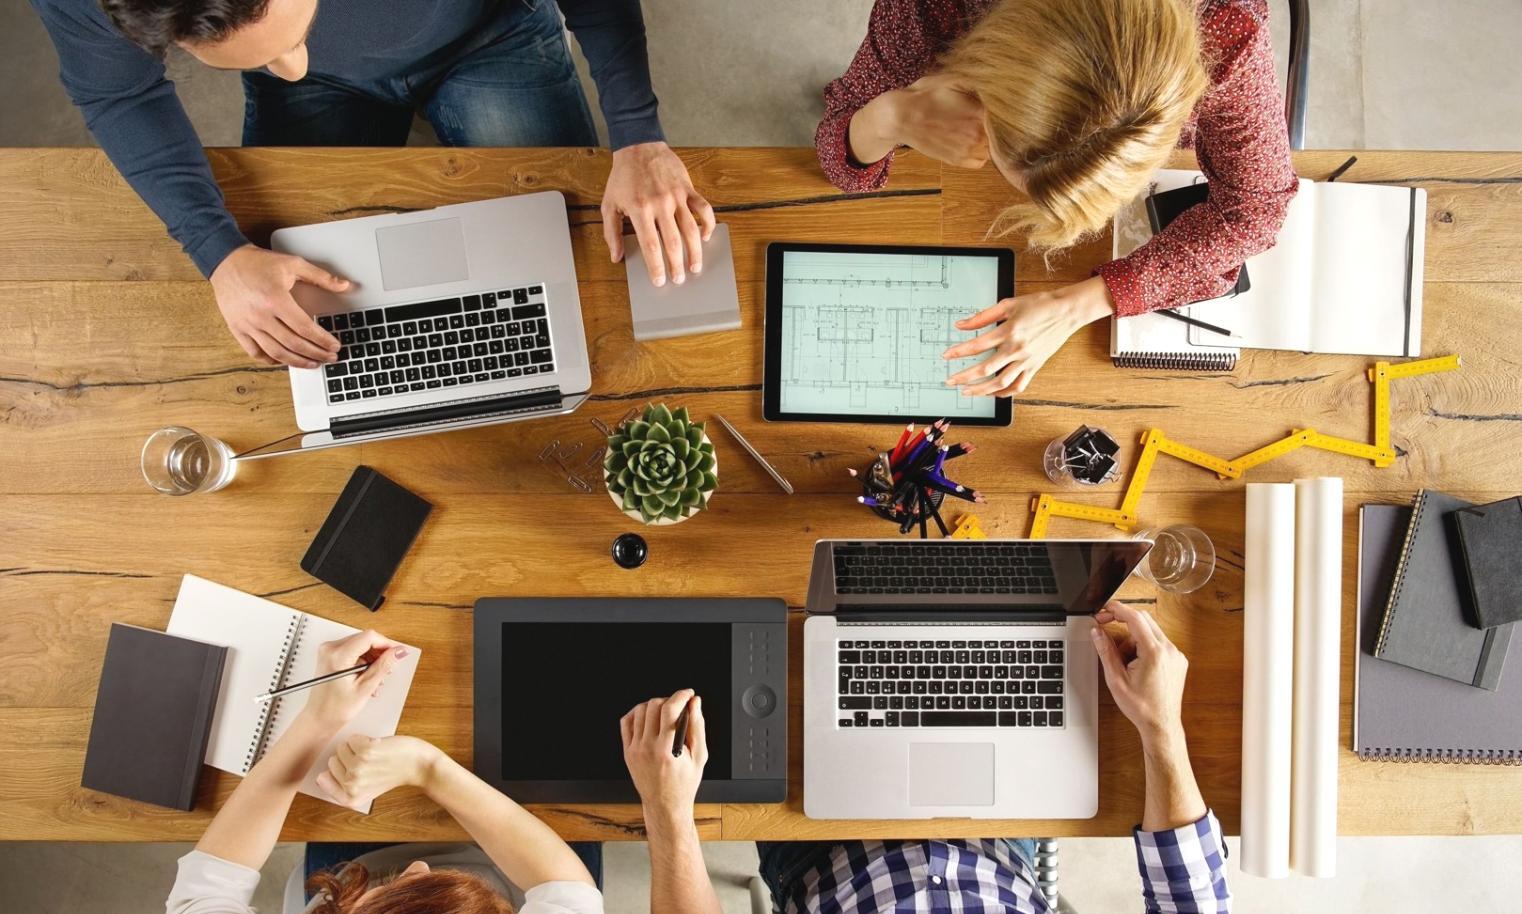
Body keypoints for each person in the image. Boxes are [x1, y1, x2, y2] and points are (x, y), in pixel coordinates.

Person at [32, 0, 714, 369]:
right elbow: (119, 97)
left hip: (490, 28)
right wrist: (220, 254)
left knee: (571, 268)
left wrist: (638, 135)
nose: (289, 69)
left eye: (289, 37)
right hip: (342, 87)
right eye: (264, 58)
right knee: (316, 316)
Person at [623, 601, 1230, 914]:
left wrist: (668, 812)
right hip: (997, 837)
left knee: (755, 640)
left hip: (815, 846)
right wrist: (1160, 729)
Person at [816, 0, 1297, 397]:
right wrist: (889, 118)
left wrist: (1078, 305)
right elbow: (838, 146)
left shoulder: (1225, 32)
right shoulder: (932, 8)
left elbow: (1257, 210)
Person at [162, 629, 609, 914]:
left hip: (348, 877)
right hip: (524, 883)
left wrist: (319, 719)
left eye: (384, 909)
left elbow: (208, 894)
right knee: (593, 807)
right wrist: (427, 768)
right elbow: (570, 895)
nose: (420, 868)